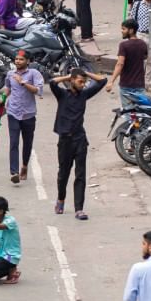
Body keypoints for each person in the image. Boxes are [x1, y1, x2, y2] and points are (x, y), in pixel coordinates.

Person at [50, 68, 107, 220]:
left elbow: (102, 81)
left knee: (80, 174)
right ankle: (61, 199)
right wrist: (69, 76)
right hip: (65, 141)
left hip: (80, 139)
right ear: (72, 81)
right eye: (80, 81)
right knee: (64, 174)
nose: (83, 84)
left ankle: (79, 209)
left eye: (84, 82)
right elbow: (52, 83)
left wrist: (87, 73)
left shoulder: (84, 95)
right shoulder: (62, 95)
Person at [3, 51, 44, 184]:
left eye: (21, 59)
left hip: (28, 114)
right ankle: (14, 172)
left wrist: (23, 83)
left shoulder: (34, 74)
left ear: (27, 61)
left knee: (27, 143)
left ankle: (24, 166)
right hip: (13, 112)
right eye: (16, 59)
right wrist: (2, 98)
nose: (18, 61)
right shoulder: (10, 74)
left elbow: (38, 90)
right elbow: (8, 88)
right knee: (13, 142)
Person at [105, 18, 147, 105]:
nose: (122, 31)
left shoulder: (124, 45)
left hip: (127, 85)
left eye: (124, 29)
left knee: (128, 112)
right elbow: (144, 57)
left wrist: (111, 81)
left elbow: (120, 64)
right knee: (140, 112)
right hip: (140, 84)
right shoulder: (143, 44)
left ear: (131, 30)